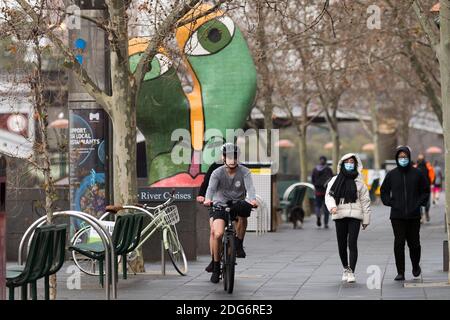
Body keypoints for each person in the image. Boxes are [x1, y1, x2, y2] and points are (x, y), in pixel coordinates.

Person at [204, 143, 258, 283]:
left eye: (234, 157)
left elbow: (250, 188)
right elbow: (210, 189)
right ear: (223, 158)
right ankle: (216, 267)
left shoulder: (245, 171)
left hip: (237, 204)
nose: (232, 160)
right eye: (229, 157)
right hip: (220, 205)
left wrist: (252, 200)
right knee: (218, 234)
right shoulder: (217, 172)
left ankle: (238, 244)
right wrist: (208, 199)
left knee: (244, 214)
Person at [380, 146, 430, 281]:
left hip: (414, 215)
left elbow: (425, 190)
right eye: (400, 157)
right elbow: (383, 191)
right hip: (397, 215)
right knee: (399, 243)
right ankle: (400, 272)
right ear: (397, 158)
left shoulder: (417, 173)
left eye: (405, 157)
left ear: (409, 157)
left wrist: (419, 203)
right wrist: (390, 202)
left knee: (414, 243)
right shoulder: (391, 174)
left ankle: (415, 265)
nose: (403, 159)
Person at [325, 153, 371, 283]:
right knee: (341, 244)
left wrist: (366, 219)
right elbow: (329, 196)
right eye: (347, 162)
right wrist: (332, 207)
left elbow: (365, 201)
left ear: (356, 164)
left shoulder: (359, 181)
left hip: (355, 215)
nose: (350, 164)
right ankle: (345, 267)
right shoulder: (335, 180)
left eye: (352, 162)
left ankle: (351, 271)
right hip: (339, 214)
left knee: (352, 243)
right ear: (342, 163)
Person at [197, 160, 222, 273]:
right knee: (213, 231)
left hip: (233, 203)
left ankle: (232, 252)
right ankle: (214, 260)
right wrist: (202, 195)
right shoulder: (216, 166)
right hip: (217, 202)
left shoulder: (241, 168)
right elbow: (207, 182)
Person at [311, 156, 334, 228]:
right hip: (326, 191)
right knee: (326, 207)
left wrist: (315, 186)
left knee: (318, 206)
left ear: (319, 161)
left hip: (318, 191)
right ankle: (326, 223)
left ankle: (318, 216)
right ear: (326, 161)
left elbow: (312, 179)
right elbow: (332, 179)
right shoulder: (328, 169)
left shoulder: (315, 169)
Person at [415, 154, 435, 222]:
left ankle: (424, 213)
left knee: (424, 201)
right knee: (422, 201)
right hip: (422, 186)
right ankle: (423, 214)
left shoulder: (425, 165)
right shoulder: (417, 166)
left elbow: (432, 174)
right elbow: (432, 175)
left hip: (423, 186)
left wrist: (431, 182)